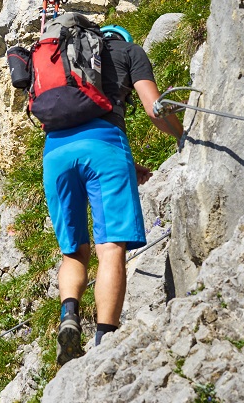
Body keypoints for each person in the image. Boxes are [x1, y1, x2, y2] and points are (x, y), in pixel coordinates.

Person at [47, 24, 183, 366]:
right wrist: (184, 137)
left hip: (55, 155)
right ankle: (105, 337)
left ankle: (69, 316)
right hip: (106, 148)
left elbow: (80, 137)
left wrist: (129, 164)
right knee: (110, 248)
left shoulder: (60, 60)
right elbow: (155, 109)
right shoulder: (130, 52)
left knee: (73, 253)